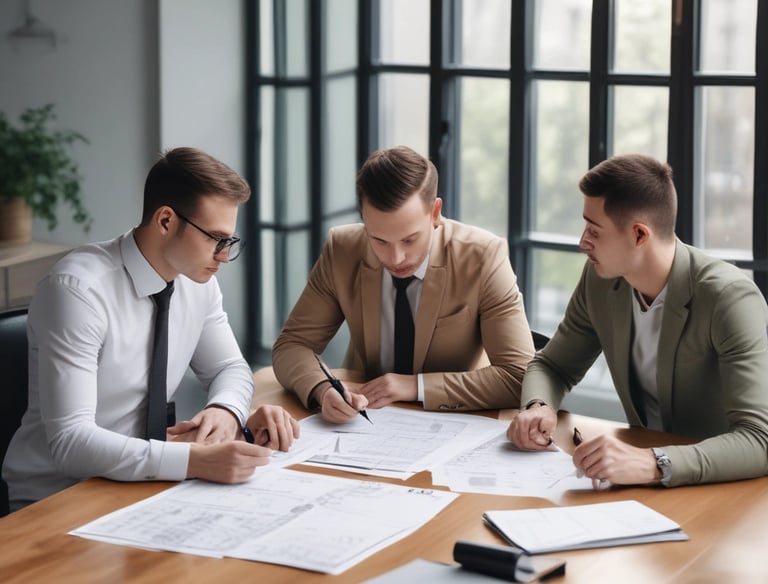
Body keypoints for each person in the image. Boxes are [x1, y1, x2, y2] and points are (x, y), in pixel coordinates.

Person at [3, 147, 299, 512]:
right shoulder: (77, 291)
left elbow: (230, 368)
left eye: (229, 242)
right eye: (215, 239)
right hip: (56, 498)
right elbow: (71, 442)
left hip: (144, 485)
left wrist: (225, 410)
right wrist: (194, 460)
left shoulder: (198, 283)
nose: (224, 256)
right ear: (165, 221)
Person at [507, 153, 768, 487]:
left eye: (594, 231)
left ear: (640, 235)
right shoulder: (600, 280)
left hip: (725, 488)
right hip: (643, 485)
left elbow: (759, 439)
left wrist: (655, 463)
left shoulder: (728, 298)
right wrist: (537, 406)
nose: (583, 242)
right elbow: (553, 366)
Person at [271, 145, 535, 423]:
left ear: (435, 212)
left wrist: (413, 386)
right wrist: (323, 389)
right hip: (364, 418)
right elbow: (291, 345)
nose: (395, 258)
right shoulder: (342, 249)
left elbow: (520, 377)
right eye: (379, 240)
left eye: (409, 239)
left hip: (452, 420)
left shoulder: (483, 256)